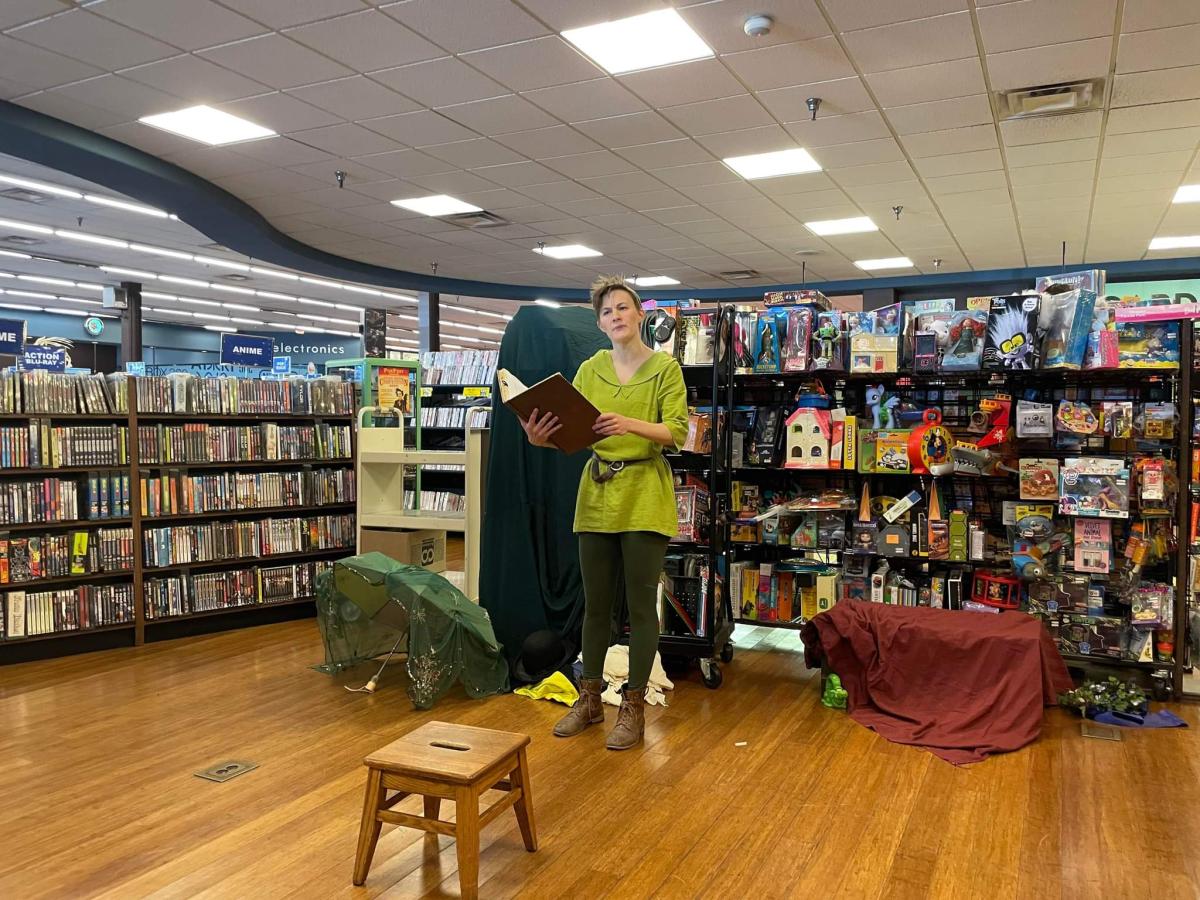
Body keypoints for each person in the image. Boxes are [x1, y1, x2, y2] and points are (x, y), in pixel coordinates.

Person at [520, 276, 688, 750]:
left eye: (622, 307)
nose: (615, 316)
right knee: (595, 605)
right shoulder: (591, 368)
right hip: (596, 493)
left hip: (644, 494)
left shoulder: (665, 369)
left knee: (639, 606)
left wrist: (629, 422)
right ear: (600, 324)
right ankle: (590, 698)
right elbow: (572, 430)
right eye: (607, 312)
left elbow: (678, 432)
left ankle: (632, 706)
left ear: (640, 315)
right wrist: (543, 437)